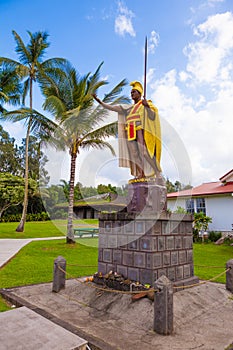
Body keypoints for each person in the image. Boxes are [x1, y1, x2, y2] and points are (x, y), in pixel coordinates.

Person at [92, 81, 162, 181]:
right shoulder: (128, 108)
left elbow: (152, 116)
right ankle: (141, 174)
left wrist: (147, 106)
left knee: (144, 152)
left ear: (140, 93)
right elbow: (113, 108)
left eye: (134, 92)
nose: (132, 94)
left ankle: (157, 171)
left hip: (139, 130)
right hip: (130, 131)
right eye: (131, 92)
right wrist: (100, 102)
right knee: (134, 154)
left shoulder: (144, 104)